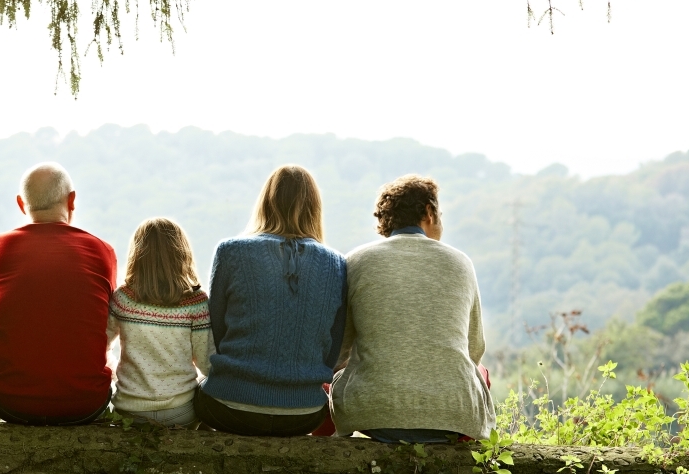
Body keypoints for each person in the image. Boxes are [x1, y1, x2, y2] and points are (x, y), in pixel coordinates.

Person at [329, 174, 495, 443]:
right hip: (453, 416)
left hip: (373, 414)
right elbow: (474, 349)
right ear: (428, 212)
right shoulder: (461, 262)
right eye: (439, 211)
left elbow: (339, 350)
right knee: (480, 371)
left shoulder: (356, 261)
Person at [196, 165, 346, 436]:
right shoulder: (335, 263)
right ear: (315, 208)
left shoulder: (231, 251)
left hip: (229, 407)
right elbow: (332, 347)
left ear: (265, 201)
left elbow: (216, 330)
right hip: (305, 414)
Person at [0, 162, 116, 425]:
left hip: (9, 403)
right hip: (86, 403)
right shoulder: (101, 251)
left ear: (21, 204)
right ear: (72, 200)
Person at [106, 218, 213, 427]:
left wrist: (113, 374)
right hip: (180, 411)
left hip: (129, 410)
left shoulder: (123, 298)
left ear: (137, 256)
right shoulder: (196, 302)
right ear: (182, 254)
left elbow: (100, 344)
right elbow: (206, 363)